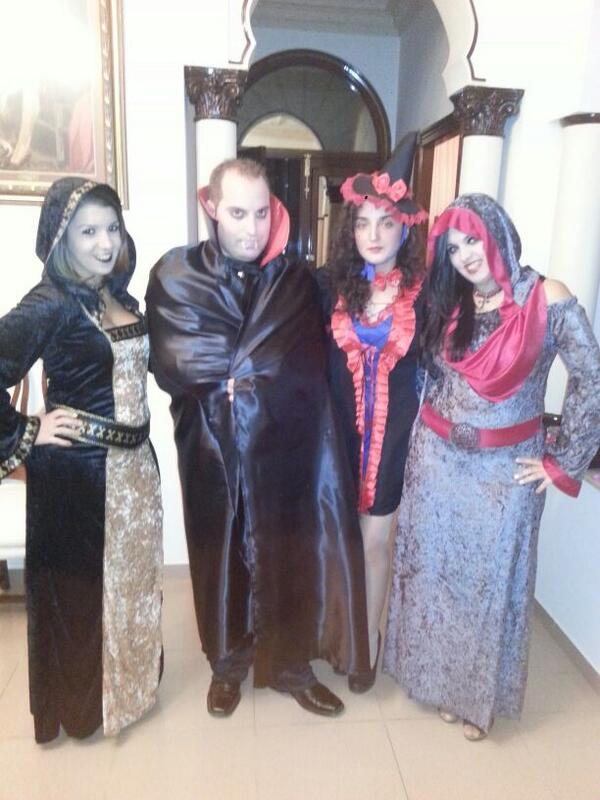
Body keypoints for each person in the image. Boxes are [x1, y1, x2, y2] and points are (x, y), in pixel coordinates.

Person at [145, 158, 369, 718]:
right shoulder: (177, 275)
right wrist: (235, 375)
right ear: (212, 208)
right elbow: (173, 360)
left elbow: (311, 365)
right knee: (220, 558)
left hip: (285, 449)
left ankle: (291, 665)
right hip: (213, 448)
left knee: (288, 556)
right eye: (238, 213)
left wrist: (248, 380)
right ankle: (227, 665)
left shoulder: (296, 281)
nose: (251, 228)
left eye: (262, 213)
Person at [383, 193, 600, 740]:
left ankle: (475, 700)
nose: (465, 255)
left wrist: (563, 460)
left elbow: (592, 376)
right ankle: (440, 685)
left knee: (487, 586)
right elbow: (430, 376)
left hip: (504, 470)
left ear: (498, 233)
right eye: (454, 247)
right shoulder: (450, 300)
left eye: (473, 239)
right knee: (436, 576)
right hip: (436, 462)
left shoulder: (545, 297)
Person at [0, 178, 163, 743]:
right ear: (61, 237)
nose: (104, 243)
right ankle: (82, 709)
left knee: (131, 586)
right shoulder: (51, 301)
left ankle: (130, 690)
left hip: (136, 472)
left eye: (112, 228)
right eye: (88, 231)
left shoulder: (120, 295)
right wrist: (27, 429)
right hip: (78, 477)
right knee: (80, 598)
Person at [317, 140, 427, 692]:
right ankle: (335, 631)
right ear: (351, 231)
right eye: (364, 223)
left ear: (404, 229)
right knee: (340, 539)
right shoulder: (331, 289)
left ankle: (368, 641)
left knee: (375, 541)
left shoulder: (425, 296)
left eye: (386, 223)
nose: (375, 235)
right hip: (339, 435)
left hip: (394, 441)